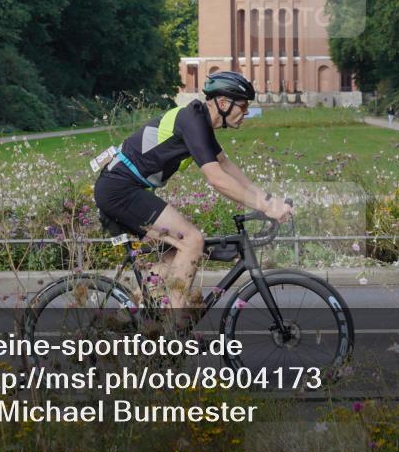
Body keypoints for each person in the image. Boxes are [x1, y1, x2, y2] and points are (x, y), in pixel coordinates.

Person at [93, 71, 293, 313]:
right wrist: (265, 207)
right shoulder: (192, 121)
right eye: (243, 105)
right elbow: (217, 179)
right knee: (192, 240)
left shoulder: (200, 123)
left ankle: (135, 316)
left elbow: (226, 166)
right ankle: (173, 330)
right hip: (119, 189)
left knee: (173, 259)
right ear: (223, 103)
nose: (247, 112)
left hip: (124, 188)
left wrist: (267, 200)